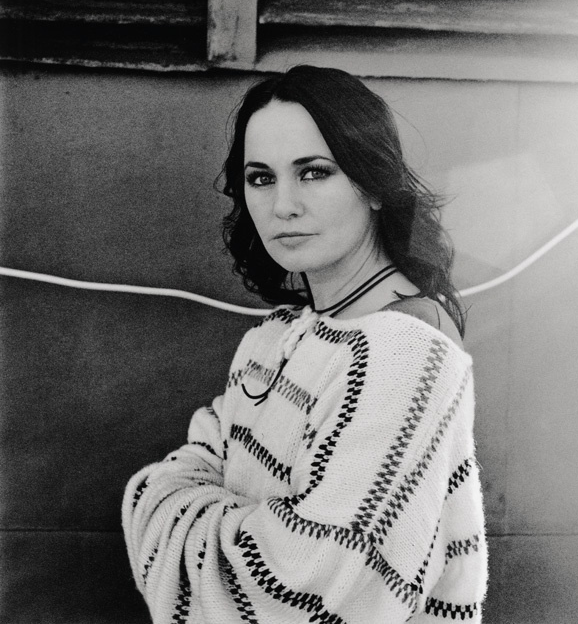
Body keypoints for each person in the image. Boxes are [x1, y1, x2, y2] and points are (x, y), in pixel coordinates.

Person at [122, 65, 488, 623]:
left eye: (314, 172)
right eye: (261, 178)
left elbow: (299, 585)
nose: (283, 205)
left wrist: (173, 505)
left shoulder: (407, 354)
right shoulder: (275, 339)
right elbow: (193, 460)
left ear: (372, 183)